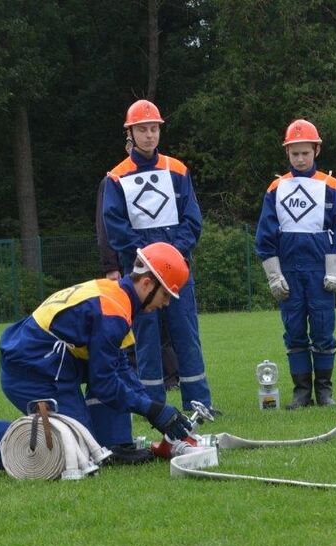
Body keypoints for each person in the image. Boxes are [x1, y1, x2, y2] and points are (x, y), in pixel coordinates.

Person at [0, 242, 194, 472]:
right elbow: (104, 383)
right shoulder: (112, 313)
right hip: (33, 371)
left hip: (47, 363)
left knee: (92, 445)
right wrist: (153, 411)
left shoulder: (115, 296)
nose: (165, 304)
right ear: (146, 283)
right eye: (165, 295)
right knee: (77, 454)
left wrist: (157, 410)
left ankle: (116, 443)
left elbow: (119, 369)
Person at [101, 99, 214, 412]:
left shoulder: (177, 169)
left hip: (177, 271)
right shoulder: (116, 177)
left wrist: (173, 254)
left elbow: (192, 219)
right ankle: (151, 405)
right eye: (142, 129)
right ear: (131, 133)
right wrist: (149, 258)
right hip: (140, 274)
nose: (149, 135)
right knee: (146, 340)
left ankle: (199, 403)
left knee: (187, 335)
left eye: (154, 129)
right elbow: (115, 225)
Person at [255, 119, 336, 409]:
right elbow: (265, 235)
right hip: (289, 273)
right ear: (287, 153)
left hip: (320, 273)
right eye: (294, 153)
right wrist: (273, 275)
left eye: (305, 153)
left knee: (323, 331)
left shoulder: (332, 186)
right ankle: (301, 392)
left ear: (316, 150)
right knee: (294, 331)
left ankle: (324, 391)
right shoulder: (276, 188)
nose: (300, 159)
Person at [96, 177, 180, 391]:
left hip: (152, 267)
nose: (166, 303)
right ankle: (144, 382)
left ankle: (169, 378)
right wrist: (111, 265)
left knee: (159, 329)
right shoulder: (114, 181)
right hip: (131, 267)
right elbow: (107, 228)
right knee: (137, 330)